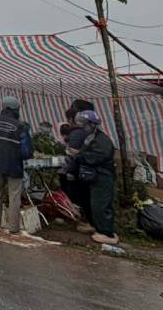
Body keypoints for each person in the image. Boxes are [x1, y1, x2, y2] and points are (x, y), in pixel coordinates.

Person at [0, 95, 33, 233]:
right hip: (14, 166)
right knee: (14, 196)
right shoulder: (21, 126)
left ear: (3, 107)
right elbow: (26, 151)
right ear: (16, 109)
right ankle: (13, 228)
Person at [72, 110, 119, 245]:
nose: (82, 127)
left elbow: (97, 157)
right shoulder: (91, 137)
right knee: (91, 202)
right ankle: (95, 225)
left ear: (92, 125)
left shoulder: (102, 140)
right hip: (94, 175)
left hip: (103, 176)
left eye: (84, 125)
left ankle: (107, 233)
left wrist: (79, 156)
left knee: (101, 204)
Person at [60, 99, 97, 232]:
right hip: (89, 169)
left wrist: (70, 172)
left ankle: (86, 221)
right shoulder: (92, 131)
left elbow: (72, 155)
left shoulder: (77, 133)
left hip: (79, 170)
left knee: (80, 196)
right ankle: (88, 220)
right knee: (86, 195)